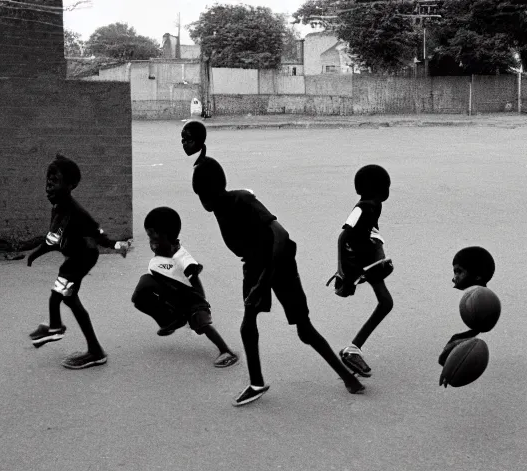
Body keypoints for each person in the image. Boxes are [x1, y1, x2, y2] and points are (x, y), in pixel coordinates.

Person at [184, 121, 365, 406]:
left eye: (203, 194)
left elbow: (281, 236)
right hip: (255, 266)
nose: (202, 201)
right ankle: (258, 383)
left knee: (303, 329)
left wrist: (263, 281)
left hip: (278, 263)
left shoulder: (241, 200)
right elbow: (204, 164)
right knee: (250, 324)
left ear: (215, 189)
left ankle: (347, 378)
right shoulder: (220, 208)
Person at [26, 154, 129, 369]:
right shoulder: (59, 208)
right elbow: (53, 240)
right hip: (73, 259)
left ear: (71, 185)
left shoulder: (73, 210)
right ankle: (67, 334)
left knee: (63, 296)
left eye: (55, 181)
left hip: (82, 259)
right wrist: (36, 253)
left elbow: (96, 232)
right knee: (65, 297)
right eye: (48, 181)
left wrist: (116, 245)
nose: (49, 187)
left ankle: (76, 340)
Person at [131, 206, 239, 368]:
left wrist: (193, 275)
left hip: (192, 299)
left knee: (202, 325)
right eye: (149, 236)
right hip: (173, 295)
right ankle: (170, 320)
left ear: (165, 235)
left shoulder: (180, 255)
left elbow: (192, 269)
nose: (150, 241)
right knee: (140, 293)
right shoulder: (161, 252)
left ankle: (226, 351)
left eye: (152, 235)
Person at [328, 165, 395, 378]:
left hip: (370, 255)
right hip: (364, 259)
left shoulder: (374, 205)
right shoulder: (364, 208)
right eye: (387, 185)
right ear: (380, 189)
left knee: (386, 303)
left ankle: (354, 349)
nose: (389, 189)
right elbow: (344, 236)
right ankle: (352, 349)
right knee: (386, 303)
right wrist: (347, 272)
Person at [439, 246, 496, 368]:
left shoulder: (479, 305)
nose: (454, 278)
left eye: (459, 272)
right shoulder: (480, 302)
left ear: (477, 276)